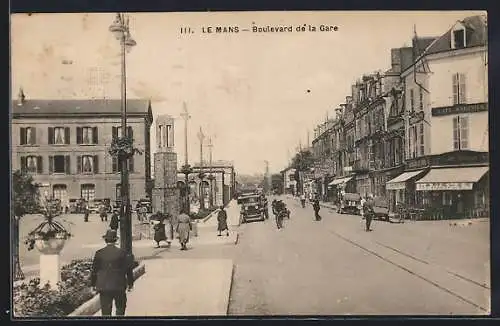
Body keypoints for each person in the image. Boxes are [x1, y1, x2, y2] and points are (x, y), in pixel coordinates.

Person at [90, 230, 134, 316]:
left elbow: (94, 270)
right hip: (119, 285)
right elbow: (128, 269)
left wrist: (93, 285)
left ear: (105, 240)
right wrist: (130, 283)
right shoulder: (122, 253)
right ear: (115, 240)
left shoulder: (99, 253)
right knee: (120, 309)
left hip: (104, 286)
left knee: (106, 312)